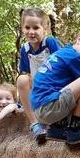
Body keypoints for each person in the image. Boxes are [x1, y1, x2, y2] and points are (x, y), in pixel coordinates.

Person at [30, 24, 80, 145]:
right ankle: (76, 128)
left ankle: (58, 128)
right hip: (48, 106)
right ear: (79, 40)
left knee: (73, 82)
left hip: (40, 107)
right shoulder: (74, 57)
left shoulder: (65, 52)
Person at [15, 8, 63, 143]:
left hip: (55, 83)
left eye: (36, 27)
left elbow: (63, 63)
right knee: (22, 79)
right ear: (22, 28)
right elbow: (26, 71)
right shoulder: (25, 49)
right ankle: (35, 123)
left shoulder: (50, 43)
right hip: (38, 85)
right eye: (27, 27)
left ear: (45, 28)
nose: (31, 32)